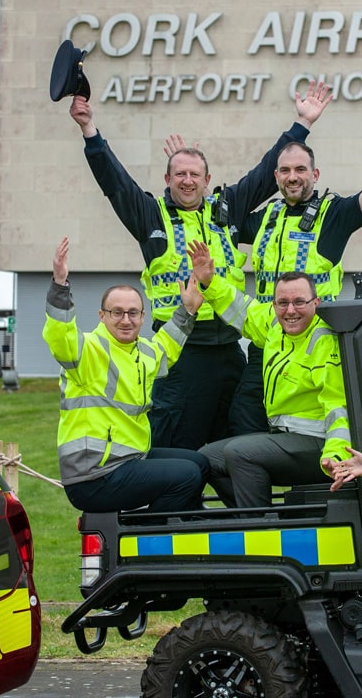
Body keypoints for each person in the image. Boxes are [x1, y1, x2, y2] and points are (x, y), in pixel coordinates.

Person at [68, 82, 333, 452]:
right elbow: (115, 184)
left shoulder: (228, 209)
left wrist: (301, 124)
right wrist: (89, 132)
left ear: (208, 181)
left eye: (195, 175)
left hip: (228, 350)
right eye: (180, 174)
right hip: (181, 353)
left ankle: (240, 512)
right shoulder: (150, 217)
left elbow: (263, 173)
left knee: (238, 443)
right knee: (177, 445)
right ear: (167, 180)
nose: (188, 181)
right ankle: (175, 507)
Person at [229, 108, 362, 435]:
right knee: (241, 430)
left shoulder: (334, 214)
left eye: (301, 169)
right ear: (275, 178)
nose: (292, 176)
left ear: (315, 176)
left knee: (310, 435)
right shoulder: (261, 219)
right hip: (267, 345)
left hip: (315, 348)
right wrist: (300, 125)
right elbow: (230, 206)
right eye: (284, 170)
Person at [44, 236, 209, 513]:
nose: (125, 320)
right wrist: (60, 285)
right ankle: (146, 537)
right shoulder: (86, 350)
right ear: (101, 315)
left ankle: (183, 527)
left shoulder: (143, 352)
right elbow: (59, 334)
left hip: (130, 459)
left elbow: (167, 346)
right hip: (95, 475)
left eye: (133, 313)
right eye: (117, 312)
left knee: (199, 463)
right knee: (187, 476)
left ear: (143, 317)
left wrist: (188, 309)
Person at [187, 240, 349, 508]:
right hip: (282, 436)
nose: (291, 310)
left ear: (316, 302)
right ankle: (252, 517)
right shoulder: (275, 325)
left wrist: (335, 456)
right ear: (273, 305)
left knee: (240, 452)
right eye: (282, 303)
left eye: (299, 302)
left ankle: (260, 529)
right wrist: (209, 281)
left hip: (320, 446)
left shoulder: (325, 341)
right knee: (206, 458)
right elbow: (241, 309)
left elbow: (338, 408)